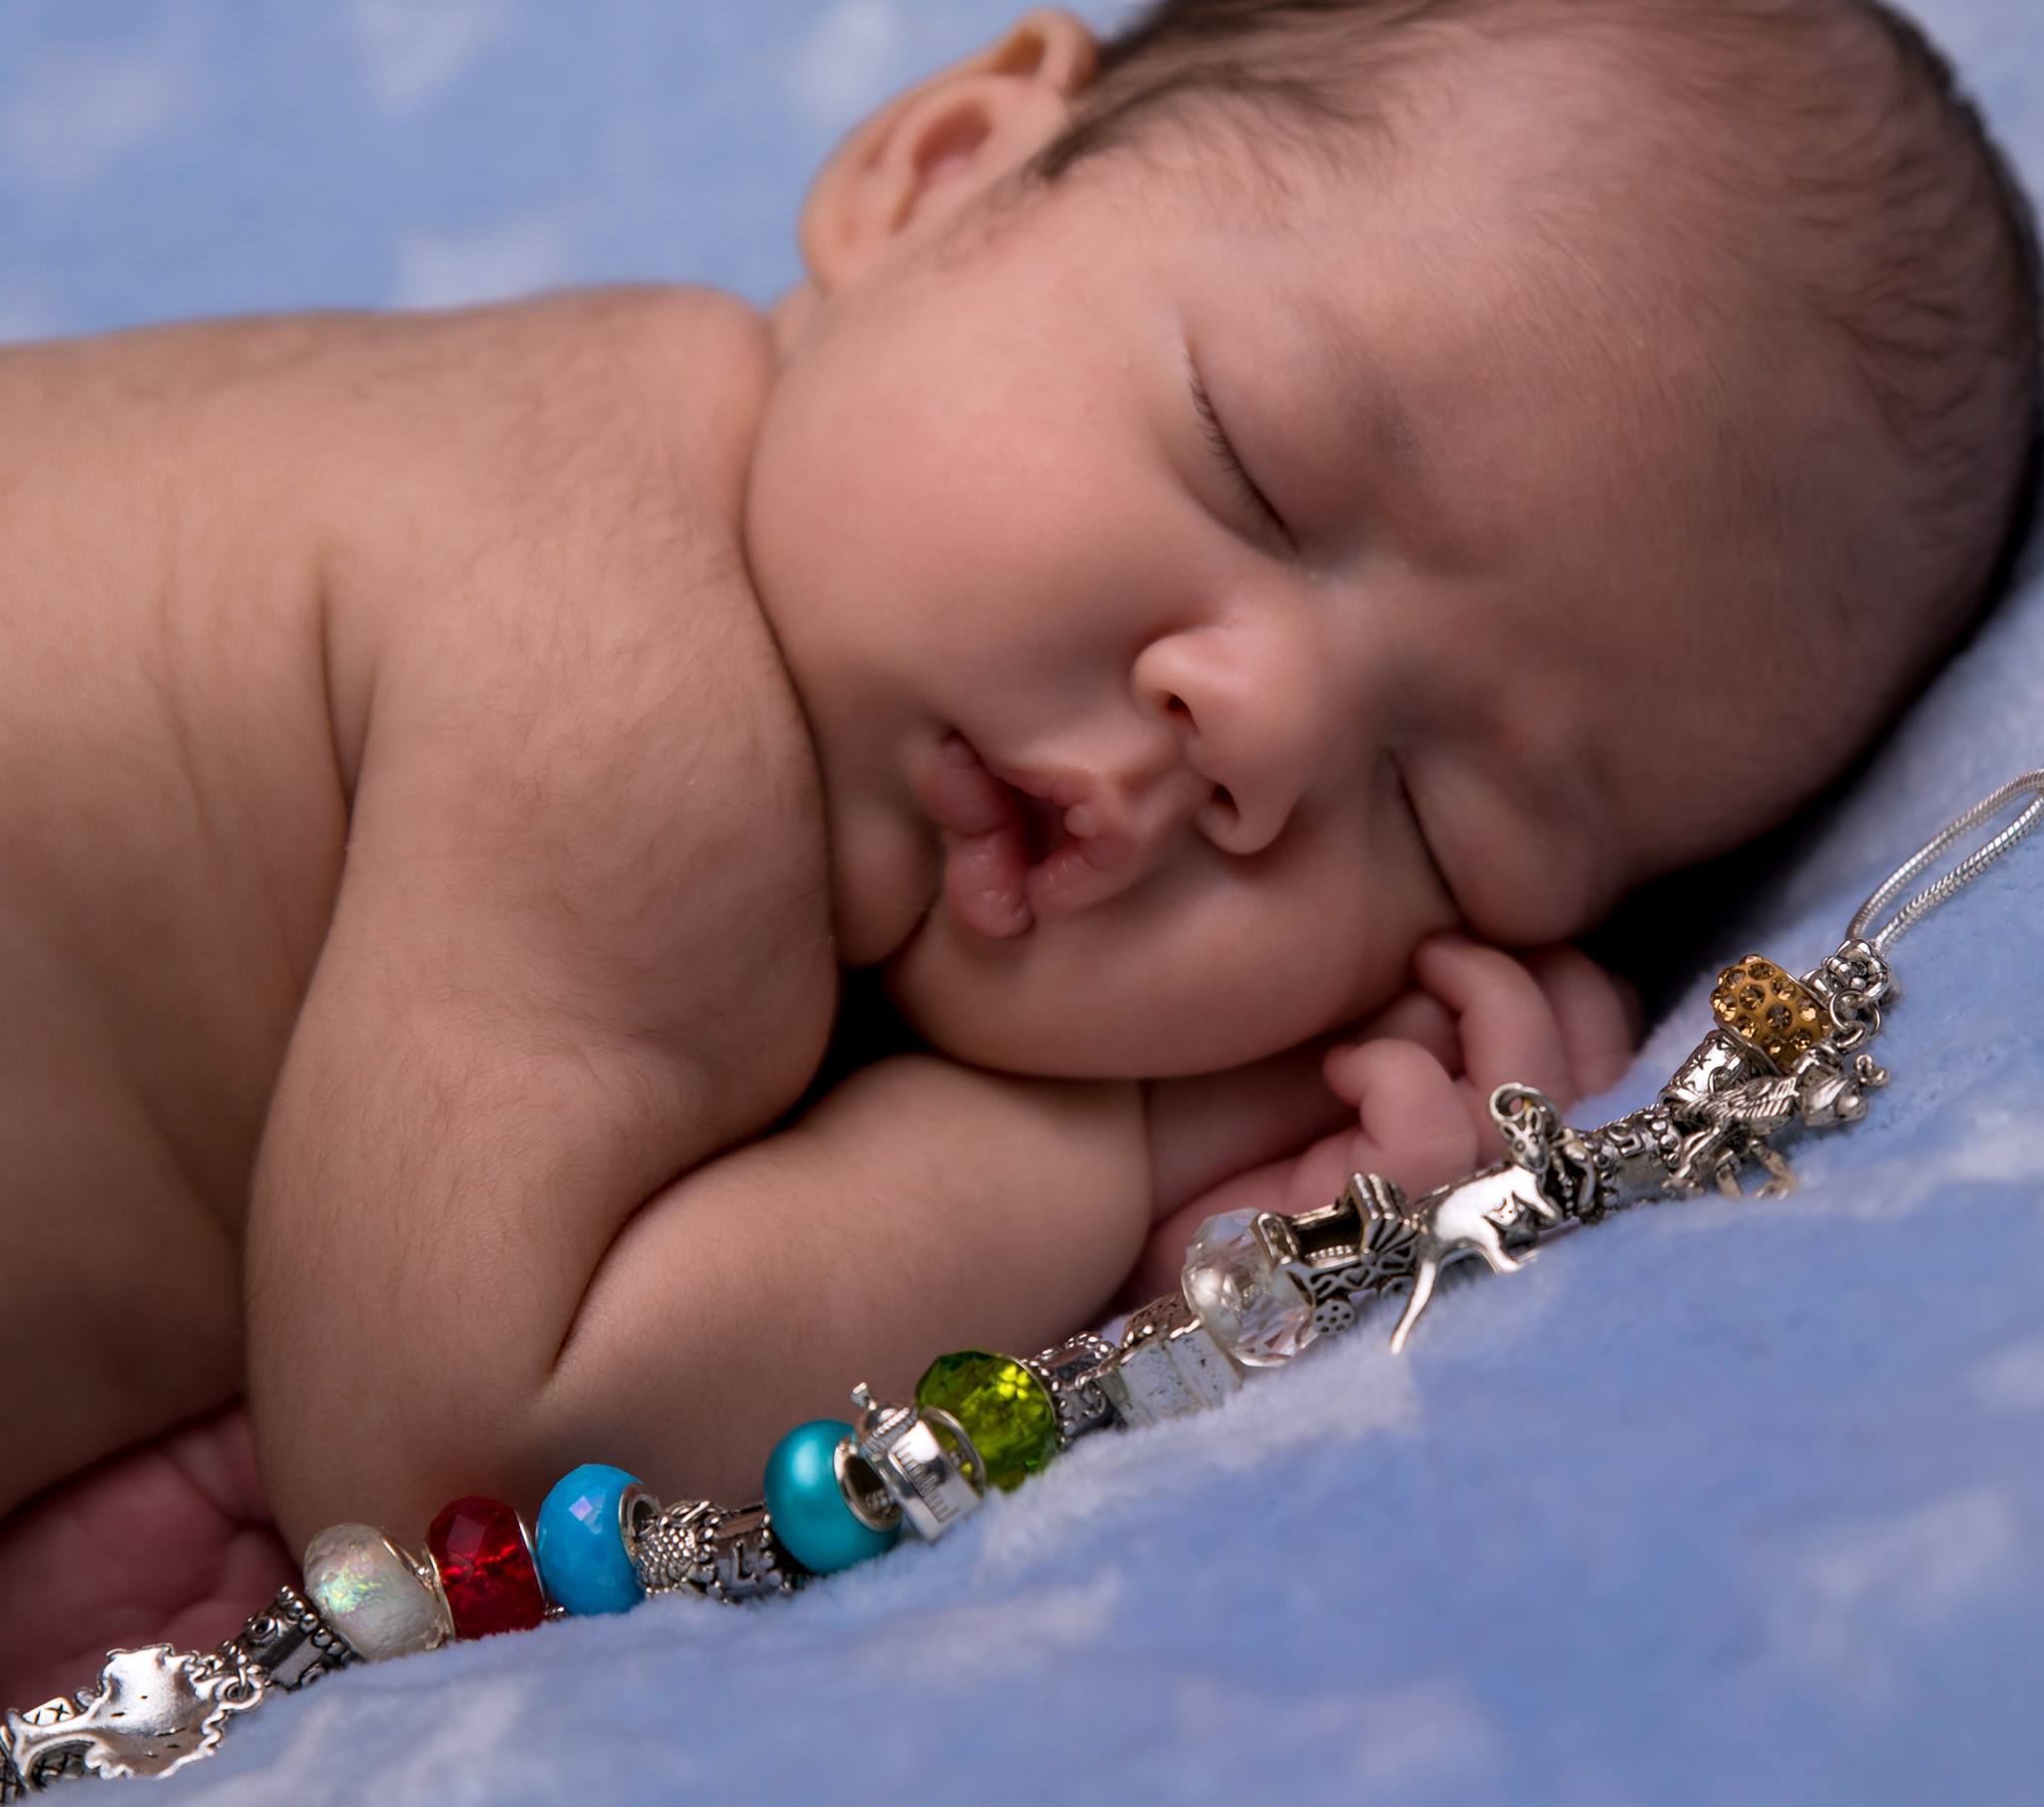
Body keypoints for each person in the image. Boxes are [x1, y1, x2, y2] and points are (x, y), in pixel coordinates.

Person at [0, 0, 2034, 1707]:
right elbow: (450, 1498)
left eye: (1437, 815)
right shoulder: (619, 650)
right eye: (1254, 461)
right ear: (940, 173)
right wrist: (1146, 1134)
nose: (1255, 735)